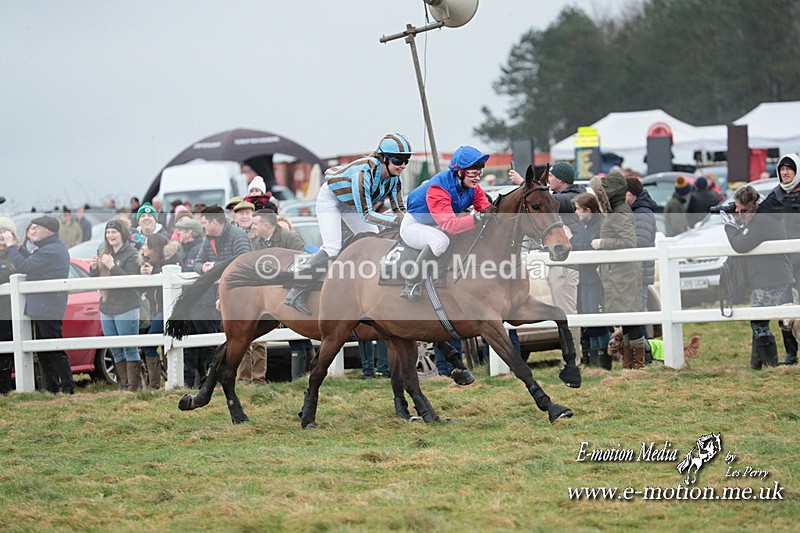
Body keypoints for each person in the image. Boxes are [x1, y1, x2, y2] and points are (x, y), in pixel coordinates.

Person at [284, 132, 410, 315]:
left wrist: (409, 222)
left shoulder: (395, 180)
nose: (403, 165)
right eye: (398, 160)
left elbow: (399, 209)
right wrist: (396, 221)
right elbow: (367, 214)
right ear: (383, 158)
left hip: (350, 203)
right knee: (332, 247)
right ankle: (297, 289)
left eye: (406, 160)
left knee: (373, 239)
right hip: (331, 198)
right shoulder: (364, 173)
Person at [400, 145, 496, 301]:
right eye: (473, 173)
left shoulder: (474, 188)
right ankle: (411, 283)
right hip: (415, 225)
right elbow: (451, 226)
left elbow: (485, 207)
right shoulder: (438, 189)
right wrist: (477, 218)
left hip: (437, 222)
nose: (477, 178)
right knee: (440, 241)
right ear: (460, 172)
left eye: (480, 173)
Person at [512, 161, 585, 364]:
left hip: (566, 266)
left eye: (551, 176)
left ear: (561, 180)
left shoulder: (569, 198)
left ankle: (572, 360)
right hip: (560, 264)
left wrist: (523, 183)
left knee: (567, 313)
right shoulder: (566, 197)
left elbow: (544, 199)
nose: (549, 179)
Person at [1, 215, 74, 393]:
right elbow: (32, 262)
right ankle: (53, 388)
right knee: (43, 349)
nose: (31, 231)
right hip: (44, 306)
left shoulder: (52, 250)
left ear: (46, 231)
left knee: (53, 348)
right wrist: (19, 246)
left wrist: (11, 246)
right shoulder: (50, 248)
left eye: (35, 228)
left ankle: (67, 388)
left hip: (48, 307)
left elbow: (25, 266)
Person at [724, 185, 794, 369]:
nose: (737, 211)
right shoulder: (760, 217)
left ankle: (770, 364)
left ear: (749, 206)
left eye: (740, 208)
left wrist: (729, 225)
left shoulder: (761, 220)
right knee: (758, 318)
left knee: (758, 320)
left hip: (771, 277)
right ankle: (756, 364)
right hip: (770, 276)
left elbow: (740, 244)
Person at [590, 173, 646, 369]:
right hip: (619, 273)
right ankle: (629, 364)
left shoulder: (619, 213)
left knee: (631, 320)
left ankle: (637, 363)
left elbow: (629, 241)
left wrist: (603, 243)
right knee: (626, 320)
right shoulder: (617, 210)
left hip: (624, 275)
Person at [192, 206, 253, 383]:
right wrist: (203, 268)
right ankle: (227, 377)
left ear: (213, 222)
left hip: (241, 292)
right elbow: (197, 262)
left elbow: (244, 261)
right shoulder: (209, 239)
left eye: (204, 223)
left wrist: (216, 266)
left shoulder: (237, 236)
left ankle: (245, 379)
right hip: (222, 293)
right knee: (229, 336)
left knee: (242, 335)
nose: (203, 226)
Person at [250, 209, 313, 380]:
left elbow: (305, 261)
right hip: (268, 295)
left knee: (299, 337)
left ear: (265, 225)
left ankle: (301, 377)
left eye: (255, 223)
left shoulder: (290, 238)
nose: (252, 227)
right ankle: (303, 377)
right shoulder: (255, 242)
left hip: (291, 292)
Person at [89, 219, 142, 391]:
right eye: (108, 232)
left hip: (126, 307)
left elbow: (131, 282)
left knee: (129, 348)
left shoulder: (132, 254)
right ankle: (123, 386)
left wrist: (112, 266)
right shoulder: (104, 252)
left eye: (114, 232)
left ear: (122, 234)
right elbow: (96, 281)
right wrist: (94, 268)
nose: (110, 235)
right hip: (106, 306)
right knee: (115, 349)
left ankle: (134, 388)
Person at [757, 153, 800, 365]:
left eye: (789, 168)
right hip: (783, 263)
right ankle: (790, 353)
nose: (785, 172)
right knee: (784, 309)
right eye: (782, 169)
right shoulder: (776, 195)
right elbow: (759, 216)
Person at [570, 193, 610, 368]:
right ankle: (594, 363)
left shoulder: (601, 224)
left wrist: (571, 239)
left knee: (599, 322)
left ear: (588, 210)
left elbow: (586, 246)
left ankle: (605, 361)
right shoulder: (584, 225)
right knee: (589, 321)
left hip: (596, 280)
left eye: (578, 209)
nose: (576, 212)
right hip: (585, 279)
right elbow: (579, 245)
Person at [138, 232, 183, 389]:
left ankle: (156, 384)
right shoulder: (147, 262)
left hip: (169, 310)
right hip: (154, 310)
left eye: (146, 245)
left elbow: (172, 278)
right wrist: (143, 274)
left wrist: (154, 272)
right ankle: (158, 380)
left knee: (150, 344)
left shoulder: (172, 260)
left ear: (154, 248)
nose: (143, 248)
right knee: (147, 343)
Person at [174, 217, 206, 386]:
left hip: (201, 305)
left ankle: (205, 380)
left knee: (205, 344)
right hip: (192, 304)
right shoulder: (186, 250)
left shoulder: (198, 250)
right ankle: (193, 381)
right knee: (190, 344)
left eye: (181, 230)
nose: (178, 232)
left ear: (190, 233)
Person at [625, 176, 657, 341]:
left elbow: (641, 241)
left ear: (632, 193)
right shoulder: (636, 210)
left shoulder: (642, 212)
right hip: (636, 270)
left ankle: (647, 349)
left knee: (637, 315)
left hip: (640, 270)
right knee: (635, 315)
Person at [0, 217, 16, 394]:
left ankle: (5, 390)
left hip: (13, 314)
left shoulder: (15, 254)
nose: (1, 236)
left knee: (7, 355)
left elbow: (25, 269)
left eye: (4, 232)